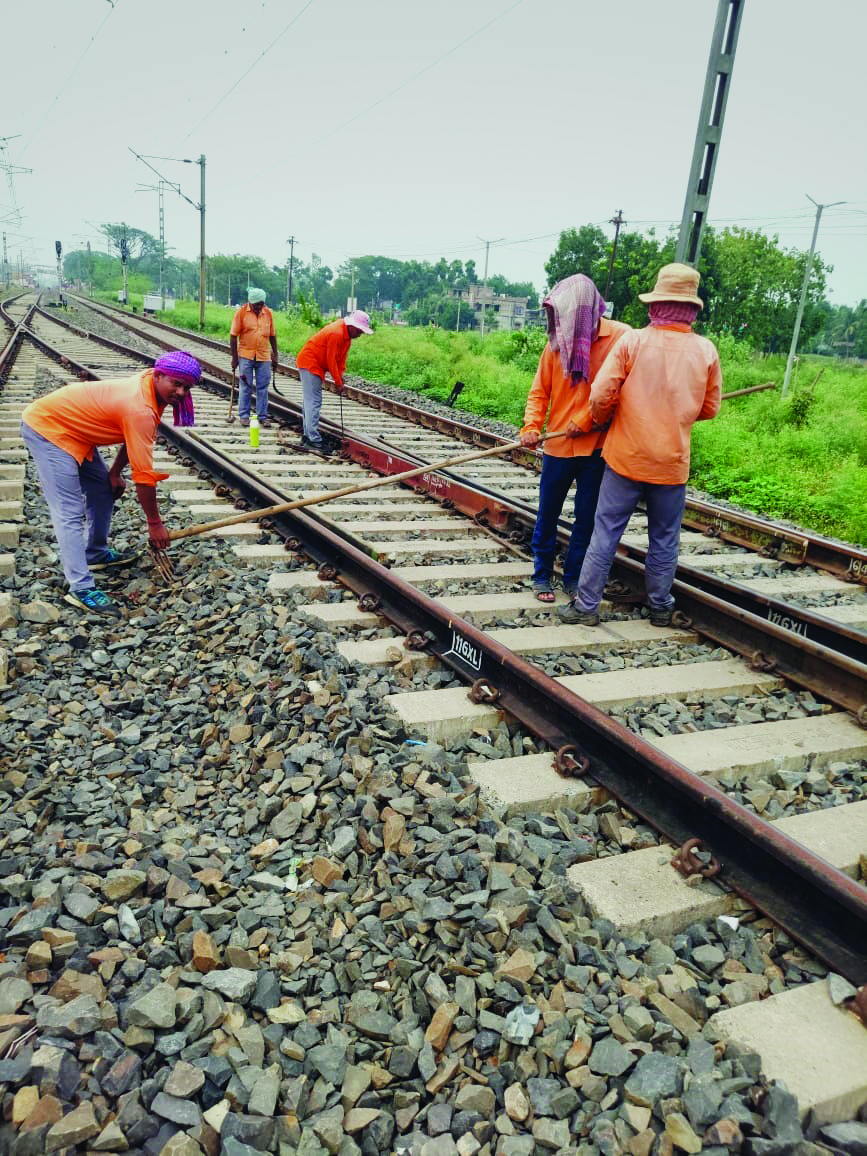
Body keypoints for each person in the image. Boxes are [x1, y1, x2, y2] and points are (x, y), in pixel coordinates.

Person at [559, 263, 722, 628]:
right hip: (671, 463)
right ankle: (661, 607)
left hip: (626, 458)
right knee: (664, 538)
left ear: (656, 304)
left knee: (606, 532)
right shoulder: (706, 350)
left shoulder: (633, 341)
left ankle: (586, 607)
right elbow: (709, 408)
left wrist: (607, 416)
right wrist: (674, 415)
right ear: (691, 308)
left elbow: (601, 395)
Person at [20, 351, 202, 616]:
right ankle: (80, 588)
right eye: (177, 384)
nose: (182, 392)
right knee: (69, 511)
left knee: (104, 489)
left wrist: (114, 473)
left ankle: (95, 553)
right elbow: (143, 476)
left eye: (187, 387)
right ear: (159, 375)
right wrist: (154, 524)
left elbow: (133, 438)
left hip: (78, 432)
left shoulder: (151, 386)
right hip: (49, 429)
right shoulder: (139, 406)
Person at [520, 275, 631, 601]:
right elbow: (539, 393)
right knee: (548, 513)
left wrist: (585, 421)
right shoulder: (556, 344)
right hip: (558, 447)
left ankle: (573, 577)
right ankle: (541, 574)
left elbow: (621, 392)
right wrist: (530, 427)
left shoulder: (621, 339)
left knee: (587, 519)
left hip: (597, 448)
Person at [295, 309, 373, 452]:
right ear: (352, 326)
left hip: (315, 364)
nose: (360, 334)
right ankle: (312, 439)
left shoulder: (346, 337)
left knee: (310, 401)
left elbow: (340, 360)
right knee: (314, 401)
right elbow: (331, 360)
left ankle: (308, 436)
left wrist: (340, 377)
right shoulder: (336, 333)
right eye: (360, 331)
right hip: (310, 363)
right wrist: (337, 382)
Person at [230, 288, 278, 428]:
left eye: (261, 304)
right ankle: (244, 415)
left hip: (263, 355)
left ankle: (262, 416)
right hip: (246, 355)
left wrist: (275, 355)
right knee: (246, 385)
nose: (259, 307)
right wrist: (234, 358)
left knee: (263, 387)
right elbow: (233, 336)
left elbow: (272, 335)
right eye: (256, 304)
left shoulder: (268, 313)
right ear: (250, 302)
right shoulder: (241, 313)